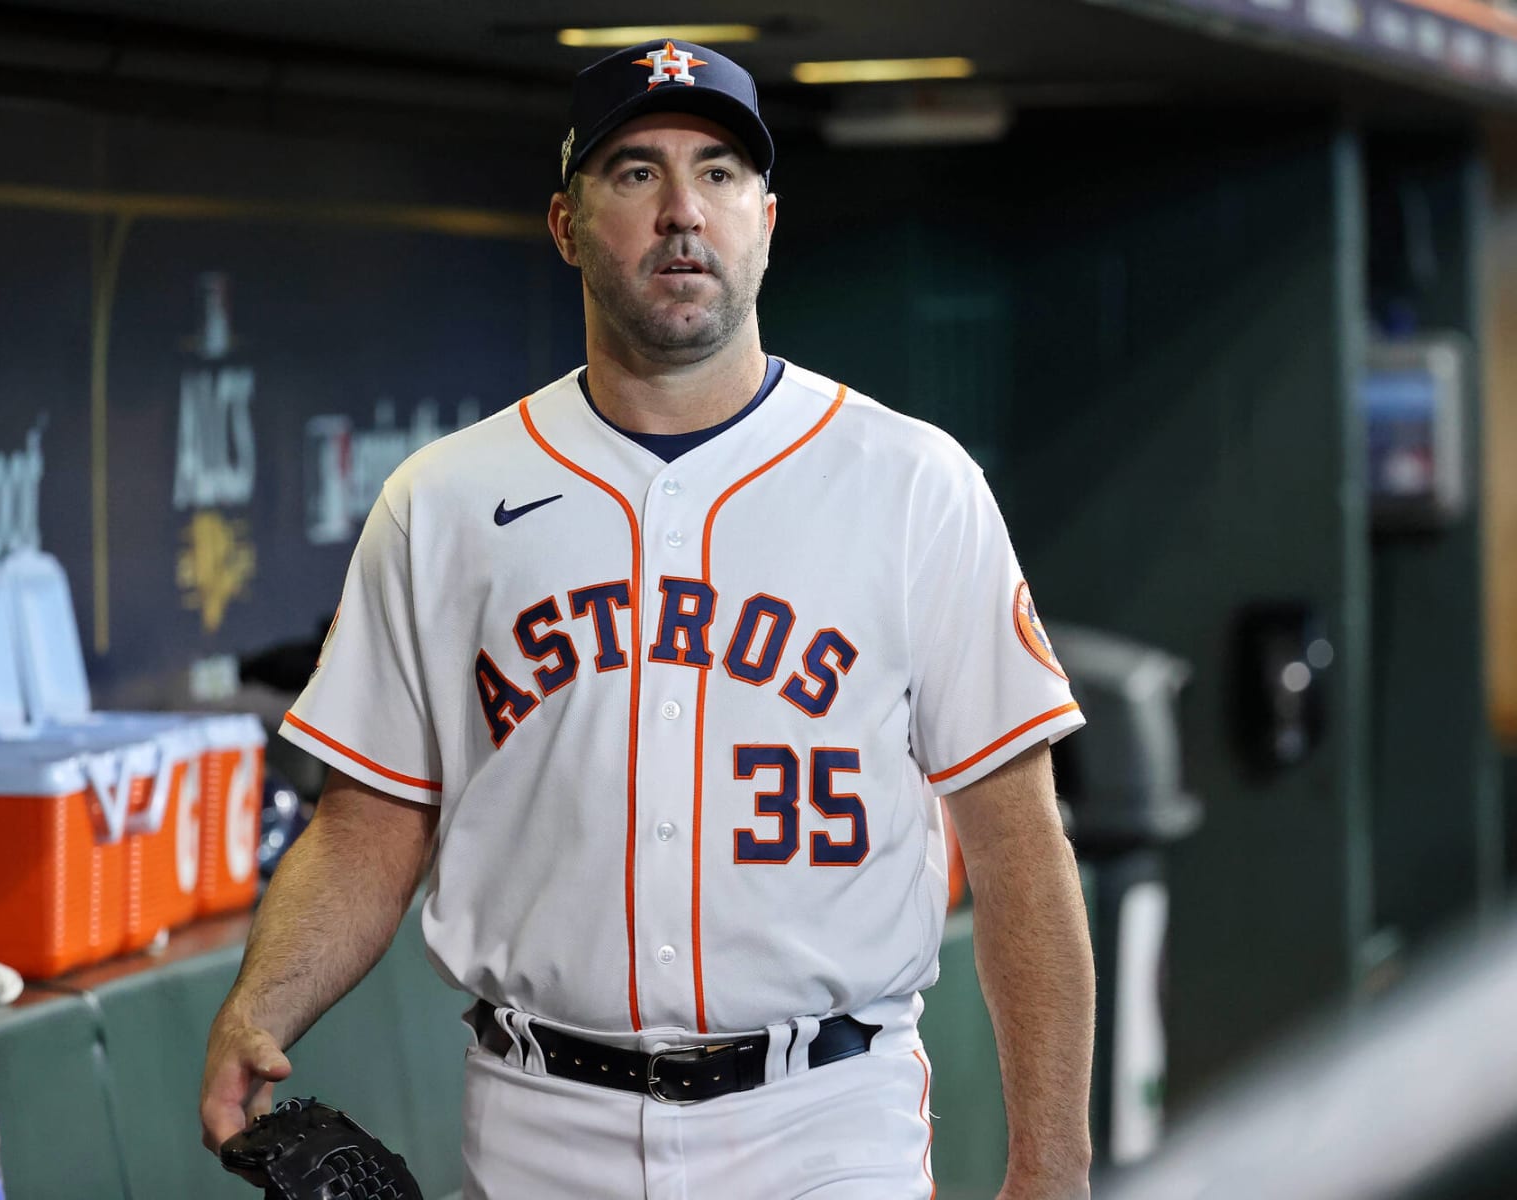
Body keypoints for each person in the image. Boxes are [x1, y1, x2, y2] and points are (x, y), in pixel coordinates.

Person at [200, 37, 1095, 1200]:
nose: (683, 209)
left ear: (765, 219)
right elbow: (368, 824)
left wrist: (1053, 1165)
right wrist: (256, 1009)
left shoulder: (912, 484)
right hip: (538, 1122)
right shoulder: (443, 500)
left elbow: (1019, 847)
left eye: (719, 172)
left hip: (823, 1123)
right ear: (567, 225)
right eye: (635, 172)